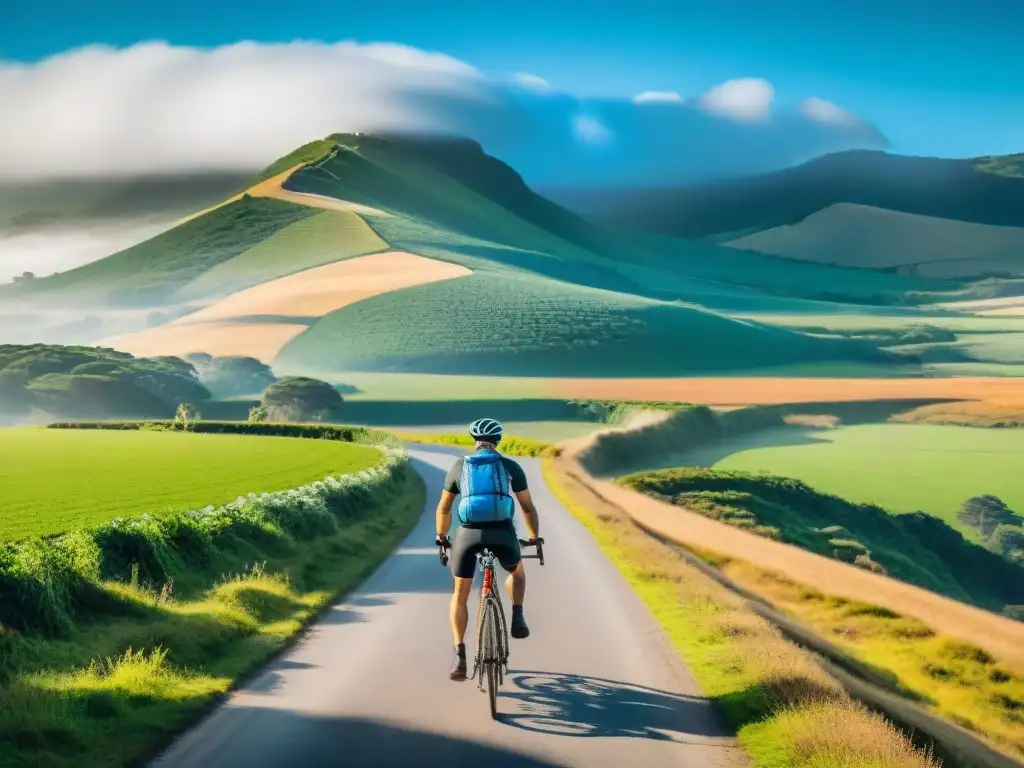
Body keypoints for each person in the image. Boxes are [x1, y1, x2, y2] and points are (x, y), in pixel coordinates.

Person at [434, 418, 541, 681]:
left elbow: (444, 508)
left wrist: (442, 536)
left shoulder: (461, 466)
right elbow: (527, 506)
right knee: (517, 571)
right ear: (498, 441)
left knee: (459, 595)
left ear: (474, 440)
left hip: (467, 535)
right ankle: (518, 616)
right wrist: (533, 537)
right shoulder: (510, 466)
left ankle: (459, 656)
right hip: (502, 533)